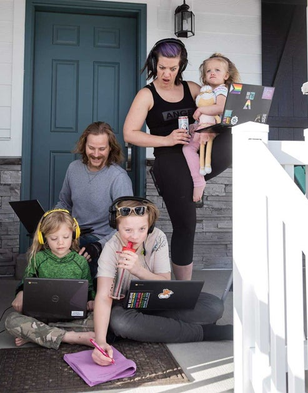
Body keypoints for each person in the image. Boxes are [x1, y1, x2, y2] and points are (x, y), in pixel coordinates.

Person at [122, 39, 233, 280]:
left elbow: (214, 110)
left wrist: (210, 130)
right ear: (155, 64)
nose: (167, 74)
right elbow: (130, 133)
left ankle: (197, 180)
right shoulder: (147, 94)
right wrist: (167, 139)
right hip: (169, 160)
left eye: (173, 69)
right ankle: (183, 288)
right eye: (162, 68)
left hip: (196, 151)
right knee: (186, 225)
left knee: (233, 131)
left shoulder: (192, 88)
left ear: (180, 67)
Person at [91, 197, 232, 366]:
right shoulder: (111, 247)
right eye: (128, 230)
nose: (136, 236)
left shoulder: (158, 238)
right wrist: (100, 341)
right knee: (119, 322)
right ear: (116, 226)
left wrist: (138, 271)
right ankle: (203, 332)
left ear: (149, 225)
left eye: (142, 229)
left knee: (213, 306)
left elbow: (165, 282)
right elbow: (103, 296)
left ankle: (152, 327)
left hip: (158, 300)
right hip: (128, 305)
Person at [5, 209, 96, 349]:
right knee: (11, 321)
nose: (60, 243)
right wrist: (20, 293)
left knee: (101, 322)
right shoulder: (38, 259)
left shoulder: (80, 261)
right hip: (41, 317)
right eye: (54, 238)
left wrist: (91, 301)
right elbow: (26, 282)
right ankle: (69, 337)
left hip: (73, 318)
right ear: (43, 238)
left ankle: (38, 335)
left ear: (74, 235)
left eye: (66, 237)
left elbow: (89, 288)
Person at [57, 121, 133, 278]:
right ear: (84, 146)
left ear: (110, 148)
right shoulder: (73, 168)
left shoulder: (118, 178)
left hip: (100, 240)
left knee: (76, 260)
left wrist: (99, 245)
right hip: (73, 234)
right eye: (91, 148)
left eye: (102, 149)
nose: (96, 154)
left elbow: (127, 225)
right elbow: (64, 204)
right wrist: (51, 224)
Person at [183, 53, 240, 202]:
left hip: (214, 127)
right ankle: (198, 175)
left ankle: (198, 181)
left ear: (226, 75)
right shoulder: (206, 92)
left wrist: (201, 110)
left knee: (188, 149)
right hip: (206, 126)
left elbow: (220, 107)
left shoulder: (221, 89)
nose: (212, 73)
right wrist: (194, 125)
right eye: (208, 71)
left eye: (217, 70)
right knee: (192, 149)